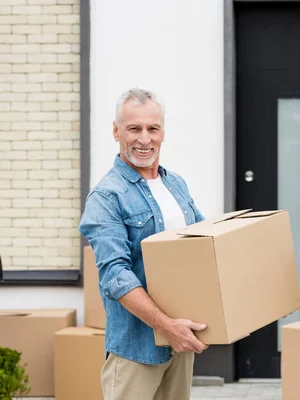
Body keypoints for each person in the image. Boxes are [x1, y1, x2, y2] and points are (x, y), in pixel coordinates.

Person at [79, 88, 208, 400]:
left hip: (179, 342)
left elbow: (205, 246)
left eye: (153, 128)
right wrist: (166, 326)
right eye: (134, 129)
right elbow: (115, 276)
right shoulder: (107, 196)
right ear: (116, 131)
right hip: (136, 349)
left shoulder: (175, 184)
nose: (144, 139)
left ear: (163, 131)